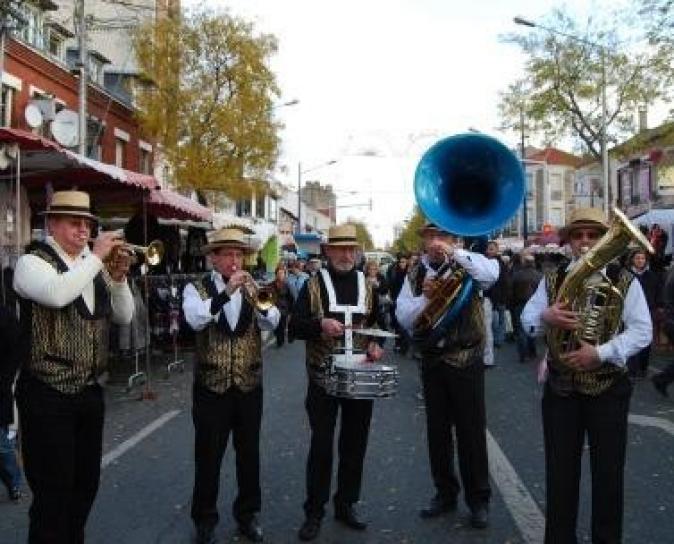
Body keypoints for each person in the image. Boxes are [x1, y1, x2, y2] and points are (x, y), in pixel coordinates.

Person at [521, 207, 652, 543]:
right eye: (578, 235)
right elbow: (528, 320)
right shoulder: (552, 279)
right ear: (568, 241)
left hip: (608, 388)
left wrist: (601, 352)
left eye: (593, 235)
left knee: (609, 475)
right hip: (562, 389)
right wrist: (548, 316)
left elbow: (642, 331)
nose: (585, 242)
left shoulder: (625, 280)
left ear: (604, 239)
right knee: (560, 474)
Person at [13, 190, 134, 542]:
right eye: (74, 223)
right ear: (52, 224)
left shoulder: (91, 266)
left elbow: (125, 316)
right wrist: (96, 258)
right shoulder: (32, 262)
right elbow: (56, 293)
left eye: (88, 224)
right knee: (52, 494)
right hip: (46, 393)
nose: (84, 231)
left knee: (85, 487)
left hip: (89, 392)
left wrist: (121, 277)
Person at [396, 222, 499, 530]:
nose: (437, 242)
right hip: (432, 360)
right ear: (425, 241)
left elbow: (492, 275)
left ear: (454, 239)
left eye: (444, 236)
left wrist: (456, 252)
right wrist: (427, 299)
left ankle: (478, 500)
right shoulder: (415, 274)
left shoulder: (470, 264)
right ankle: (445, 493)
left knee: (471, 432)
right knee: (437, 433)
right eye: (432, 237)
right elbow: (403, 317)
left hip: (465, 358)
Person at [182, 228, 281, 544]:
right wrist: (225, 293)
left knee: (248, 455)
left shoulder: (255, 288)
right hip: (212, 387)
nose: (234, 261)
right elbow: (196, 319)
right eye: (227, 254)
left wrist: (256, 298)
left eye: (239, 255)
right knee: (208, 457)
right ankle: (205, 519)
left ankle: (248, 516)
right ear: (214, 257)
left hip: (249, 386)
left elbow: (273, 321)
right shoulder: (195, 288)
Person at [289, 224, 384, 542]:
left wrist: (374, 344)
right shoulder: (312, 284)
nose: (346, 255)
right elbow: (295, 326)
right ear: (327, 251)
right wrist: (319, 325)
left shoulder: (368, 285)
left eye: (351, 249)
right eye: (340, 249)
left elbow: (377, 325)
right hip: (323, 377)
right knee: (321, 446)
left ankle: (346, 504)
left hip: (360, 375)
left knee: (355, 445)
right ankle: (314, 512)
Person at [626, 249, 660, 378]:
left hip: (648, 311)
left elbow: (657, 292)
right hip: (630, 312)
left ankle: (643, 368)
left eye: (643, 258)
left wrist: (658, 307)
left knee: (645, 340)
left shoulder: (652, 276)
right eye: (637, 258)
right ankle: (631, 368)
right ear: (632, 260)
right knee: (630, 339)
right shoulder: (627, 275)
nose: (640, 261)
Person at [0, 304, 22, 503]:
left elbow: (16, 348)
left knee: (2, 445)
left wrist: (5, 379)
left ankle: (14, 481)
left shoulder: (5, 315)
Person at [510, 250, 542, 363]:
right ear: (533, 263)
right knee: (532, 327)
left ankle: (523, 354)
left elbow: (511, 291)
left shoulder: (517, 275)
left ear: (524, 262)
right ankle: (532, 352)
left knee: (520, 330)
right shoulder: (539, 275)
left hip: (519, 304)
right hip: (534, 305)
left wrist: (511, 304)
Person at [386, 252, 410, 354]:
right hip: (395, 299)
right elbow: (389, 284)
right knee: (396, 323)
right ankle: (397, 343)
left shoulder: (410, 272)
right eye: (401, 262)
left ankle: (404, 345)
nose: (402, 264)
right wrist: (390, 297)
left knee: (404, 323)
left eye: (404, 262)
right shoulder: (393, 270)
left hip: (406, 300)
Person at [269, 263, 293, 347]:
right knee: (275, 326)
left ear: (284, 274)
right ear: (276, 274)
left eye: (282, 273)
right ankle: (278, 337)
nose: (280, 275)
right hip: (273, 309)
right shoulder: (271, 285)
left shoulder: (287, 285)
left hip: (283, 310)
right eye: (278, 273)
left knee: (281, 326)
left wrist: (291, 311)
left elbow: (291, 298)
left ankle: (280, 341)